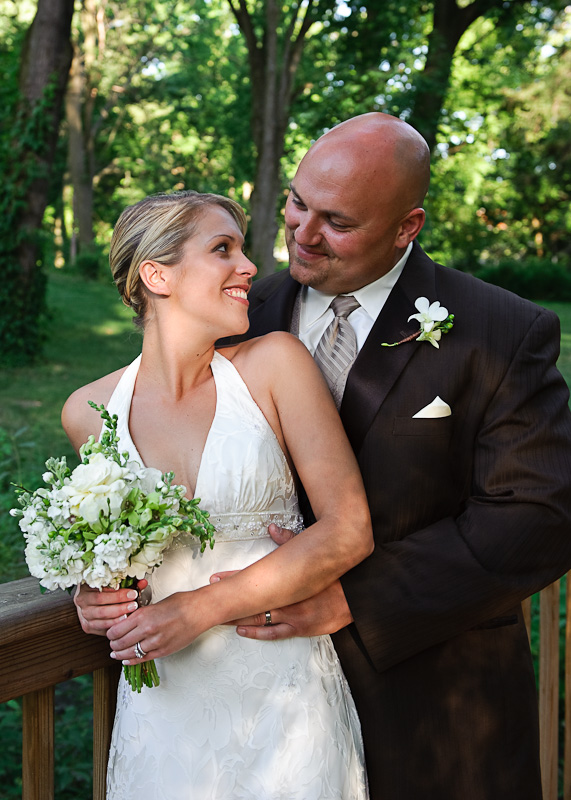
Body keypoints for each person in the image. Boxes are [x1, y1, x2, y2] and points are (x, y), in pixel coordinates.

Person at [213, 113, 571, 800]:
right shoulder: (237, 313)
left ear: (407, 226)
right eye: (296, 202)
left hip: (432, 711)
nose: (302, 233)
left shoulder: (502, 330)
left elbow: (540, 514)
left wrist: (355, 597)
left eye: (337, 221)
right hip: (253, 709)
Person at [65, 190, 373, 799]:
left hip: (284, 702)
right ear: (157, 275)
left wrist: (201, 609)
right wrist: (91, 592)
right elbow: (116, 555)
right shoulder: (89, 412)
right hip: (165, 709)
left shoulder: (275, 365)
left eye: (244, 248)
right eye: (222, 249)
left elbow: (348, 530)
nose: (251, 266)